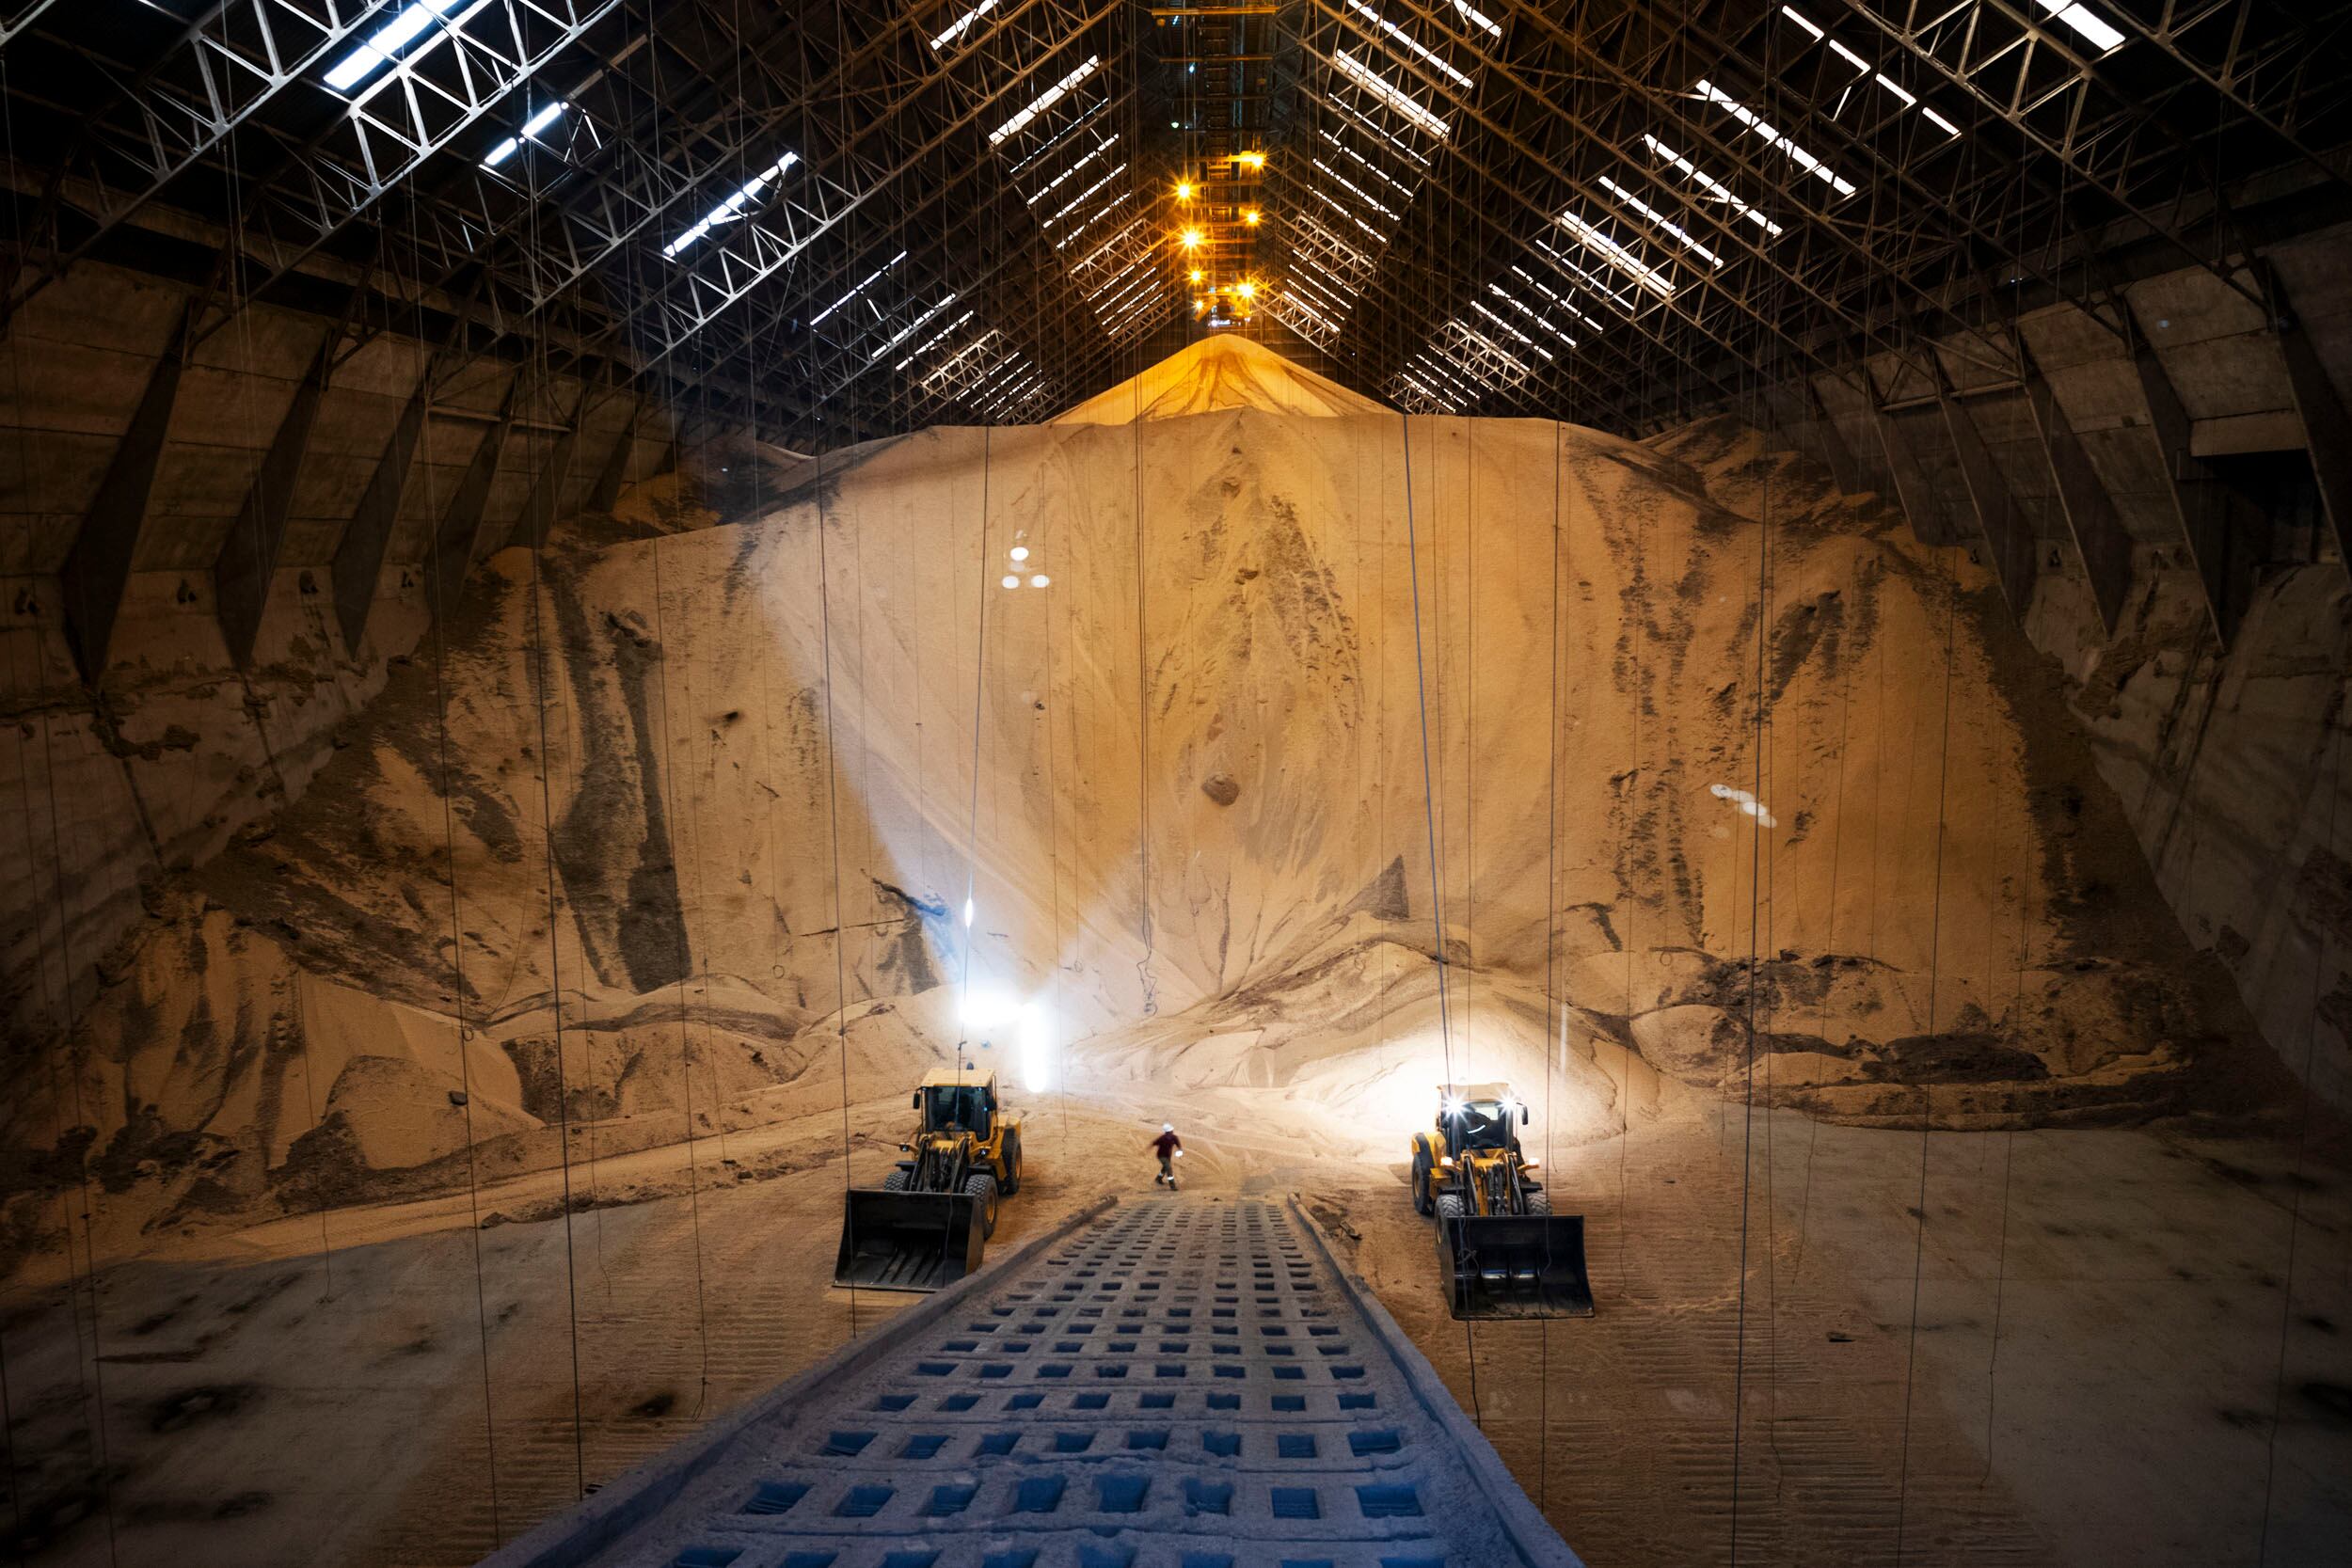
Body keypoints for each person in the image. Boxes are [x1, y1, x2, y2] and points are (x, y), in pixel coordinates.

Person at [1150, 1122, 1183, 1191]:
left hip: (1168, 1156)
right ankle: (1173, 1186)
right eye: (1171, 1131)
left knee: (1165, 1168)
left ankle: (1158, 1179)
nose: (1172, 1131)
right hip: (1161, 1156)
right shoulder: (1162, 1138)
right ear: (1169, 1131)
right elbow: (1153, 1143)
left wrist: (1180, 1150)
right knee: (1169, 1169)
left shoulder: (1174, 1138)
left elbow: (1179, 1145)